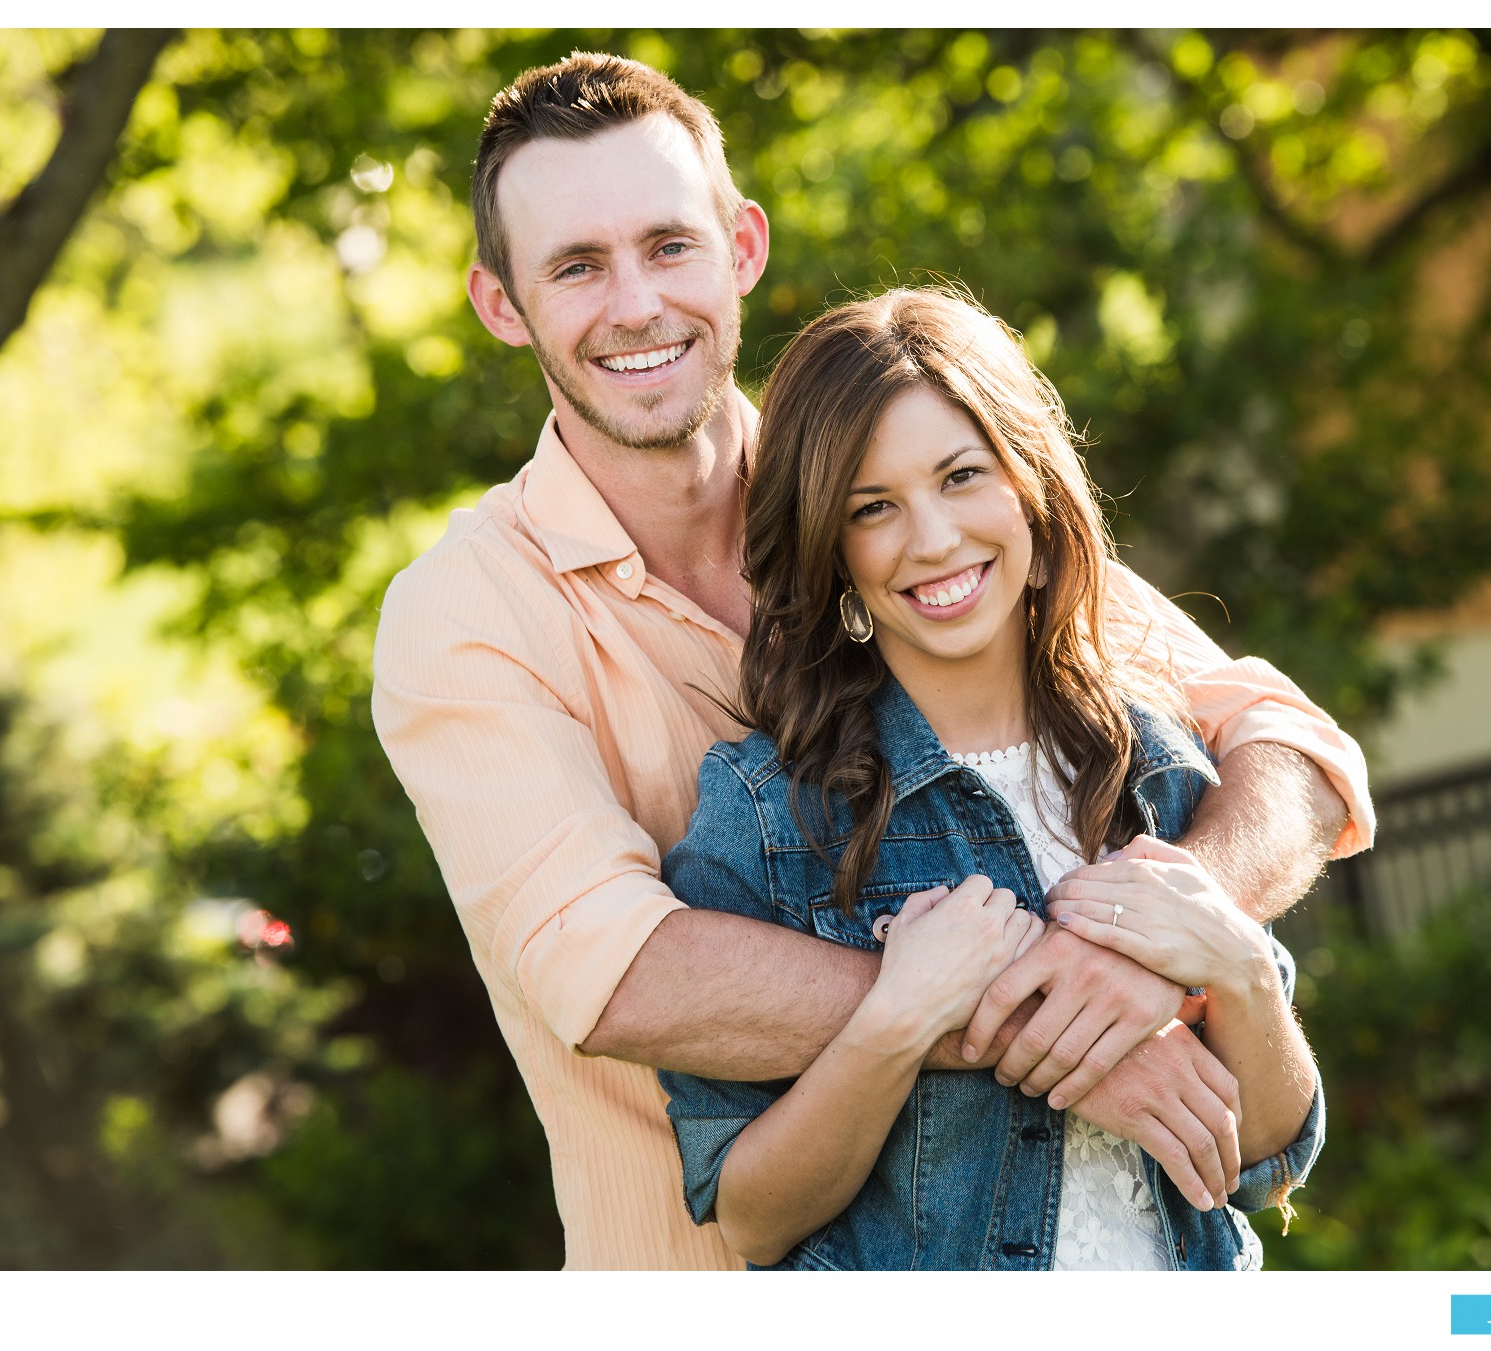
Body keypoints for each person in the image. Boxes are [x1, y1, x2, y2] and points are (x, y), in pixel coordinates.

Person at [371, 51, 1374, 1270]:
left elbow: (1284, 744)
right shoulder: (463, 615)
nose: (635, 302)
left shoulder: (897, 495)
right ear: (501, 304)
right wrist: (1053, 1027)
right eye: (577, 267)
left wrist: (1145, 953)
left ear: (741, 247)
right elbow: (622, 972)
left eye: (667, 244)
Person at [658, 287, 1322, 1270]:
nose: (931, 539)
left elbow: (1267, 1161)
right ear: (830, 552)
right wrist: (894, 1020)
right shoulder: (769, 816)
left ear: (1028, 486)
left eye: (962, 475)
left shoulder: (1163, 763)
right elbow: (751, 1215)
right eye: (872, 508)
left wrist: (1233, 963)